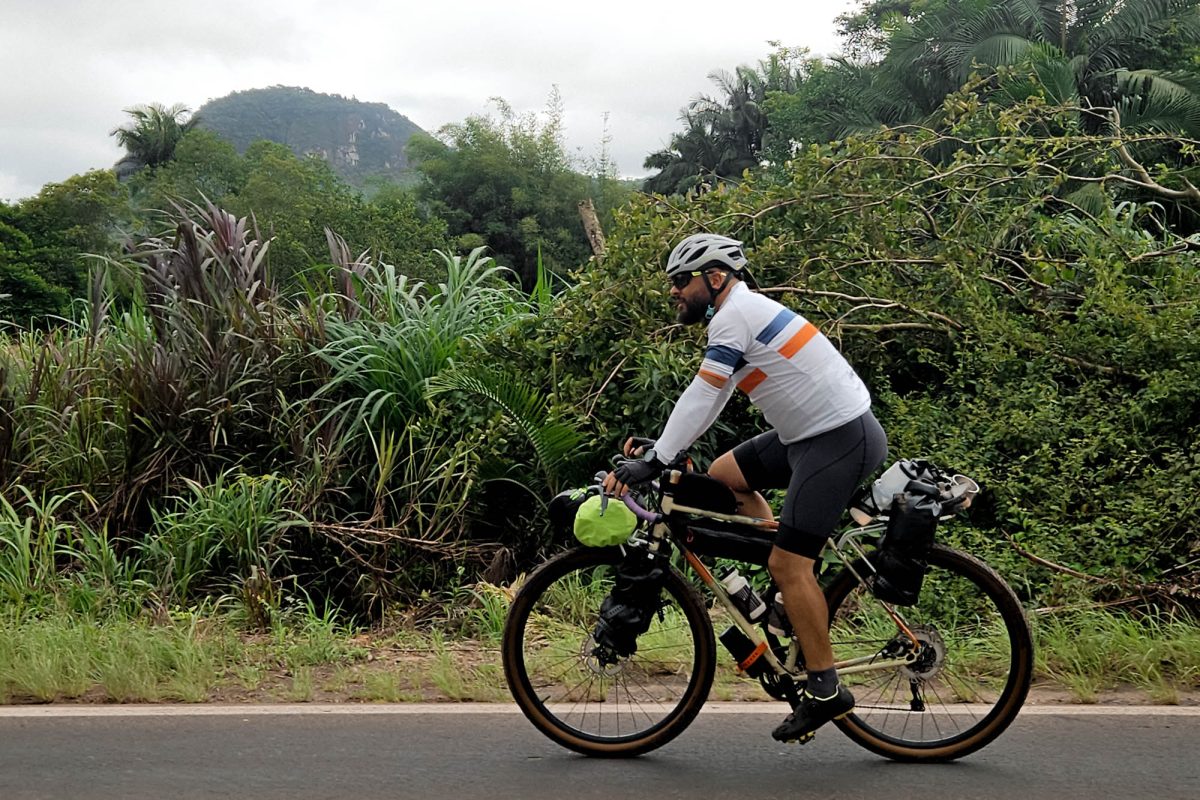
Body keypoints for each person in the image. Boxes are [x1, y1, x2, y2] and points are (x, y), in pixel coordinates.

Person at [601, 232, 888, 744]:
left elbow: (704, 393)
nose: (673, 291)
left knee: (788, 563)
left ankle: (825, 689)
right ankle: (783, 603)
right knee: (724, 477)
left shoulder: (737, 314)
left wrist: (658, 459)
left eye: (680, 281)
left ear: (715, 279)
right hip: (808, 436)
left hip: (839, 439)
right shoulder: (738, 315)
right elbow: (712, 398)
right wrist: (662, 448)